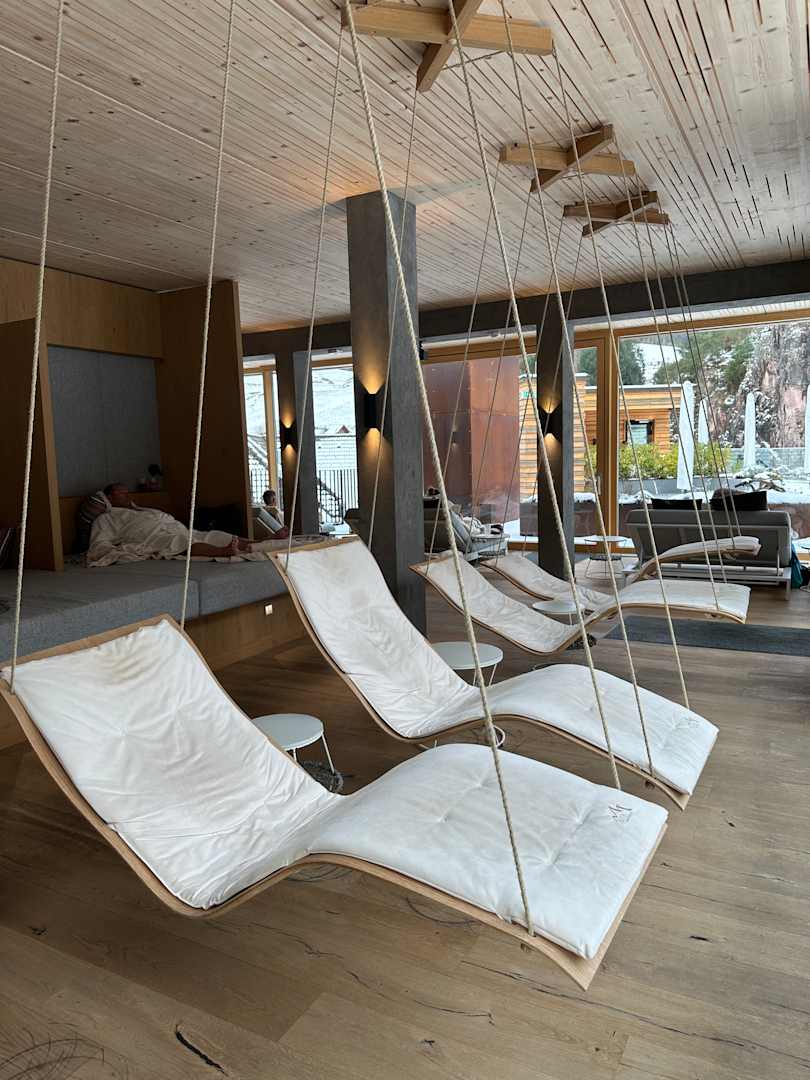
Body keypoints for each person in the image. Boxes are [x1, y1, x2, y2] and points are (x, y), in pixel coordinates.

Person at [86, 483, 282, 566]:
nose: (126, 494)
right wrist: (113, 551)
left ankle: (260, 542)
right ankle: (223, 552)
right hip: (153, 538)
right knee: (181, 542)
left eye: (127, 491)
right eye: (120, 492)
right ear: (109, 497)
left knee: (213, 535)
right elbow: (99, 543)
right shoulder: (107, 518)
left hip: (176, 528)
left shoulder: (141, 509)